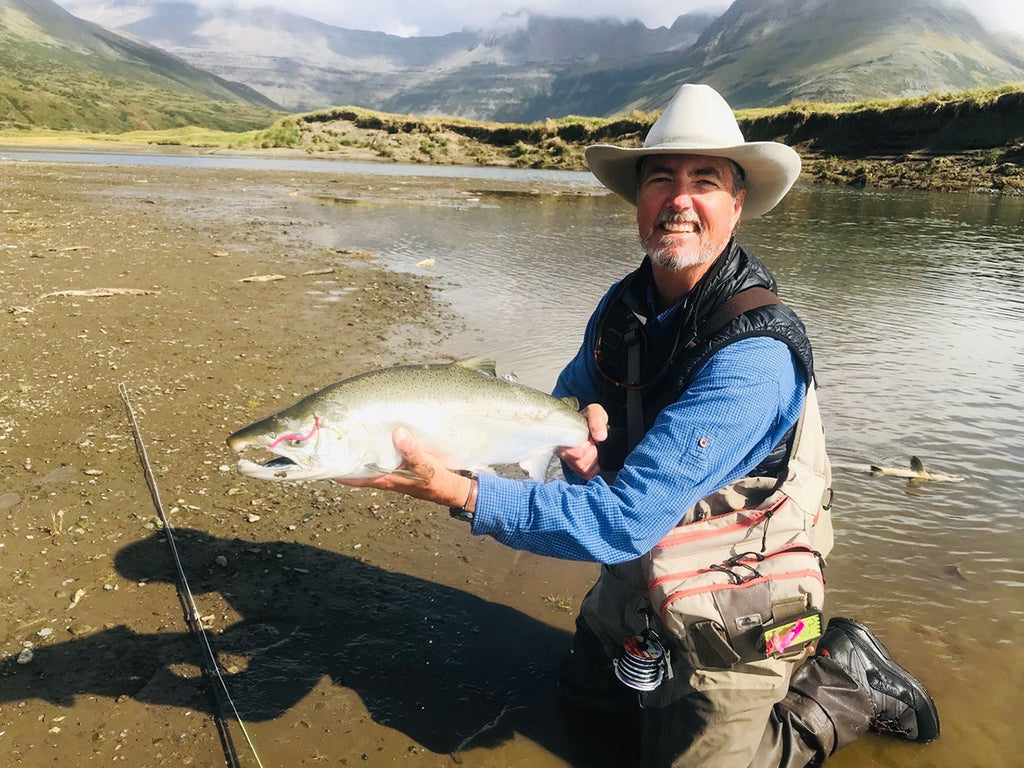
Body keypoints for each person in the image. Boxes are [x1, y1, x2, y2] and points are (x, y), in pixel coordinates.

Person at [336, 83, 940, 767]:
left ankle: (846, 682)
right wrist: (564, 439)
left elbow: (624, 520)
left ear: (736, 205)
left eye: (703, 182)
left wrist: (467, 494)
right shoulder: (625, 308)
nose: (678, 200)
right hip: (644, 557)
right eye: (661, 180)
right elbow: (565, 404)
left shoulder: (758, 357)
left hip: (739, 578)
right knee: (585, 713)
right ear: (638, 202)